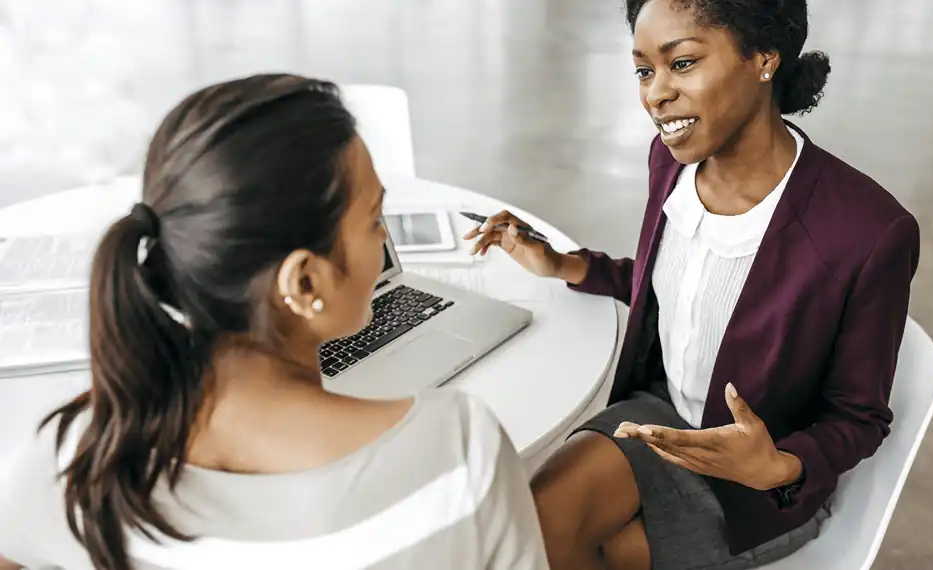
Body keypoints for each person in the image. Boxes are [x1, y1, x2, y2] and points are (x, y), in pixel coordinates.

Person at [0, 74, 548, 570]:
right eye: (374, 220)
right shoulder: (458, 452)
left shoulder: (72, 464)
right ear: (304, 282)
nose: (385, 240)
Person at [466, 0, 920, 569]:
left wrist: (777, 466)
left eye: (681, 63)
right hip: (659, 415)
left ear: (764, 59)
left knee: (597, 550)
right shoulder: (672, 160)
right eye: (643, 69)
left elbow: (859, 416)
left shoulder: (869, 231)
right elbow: (678, 286)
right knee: (528, 528)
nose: (655, 94)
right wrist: (564, 264)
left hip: (752, 485)